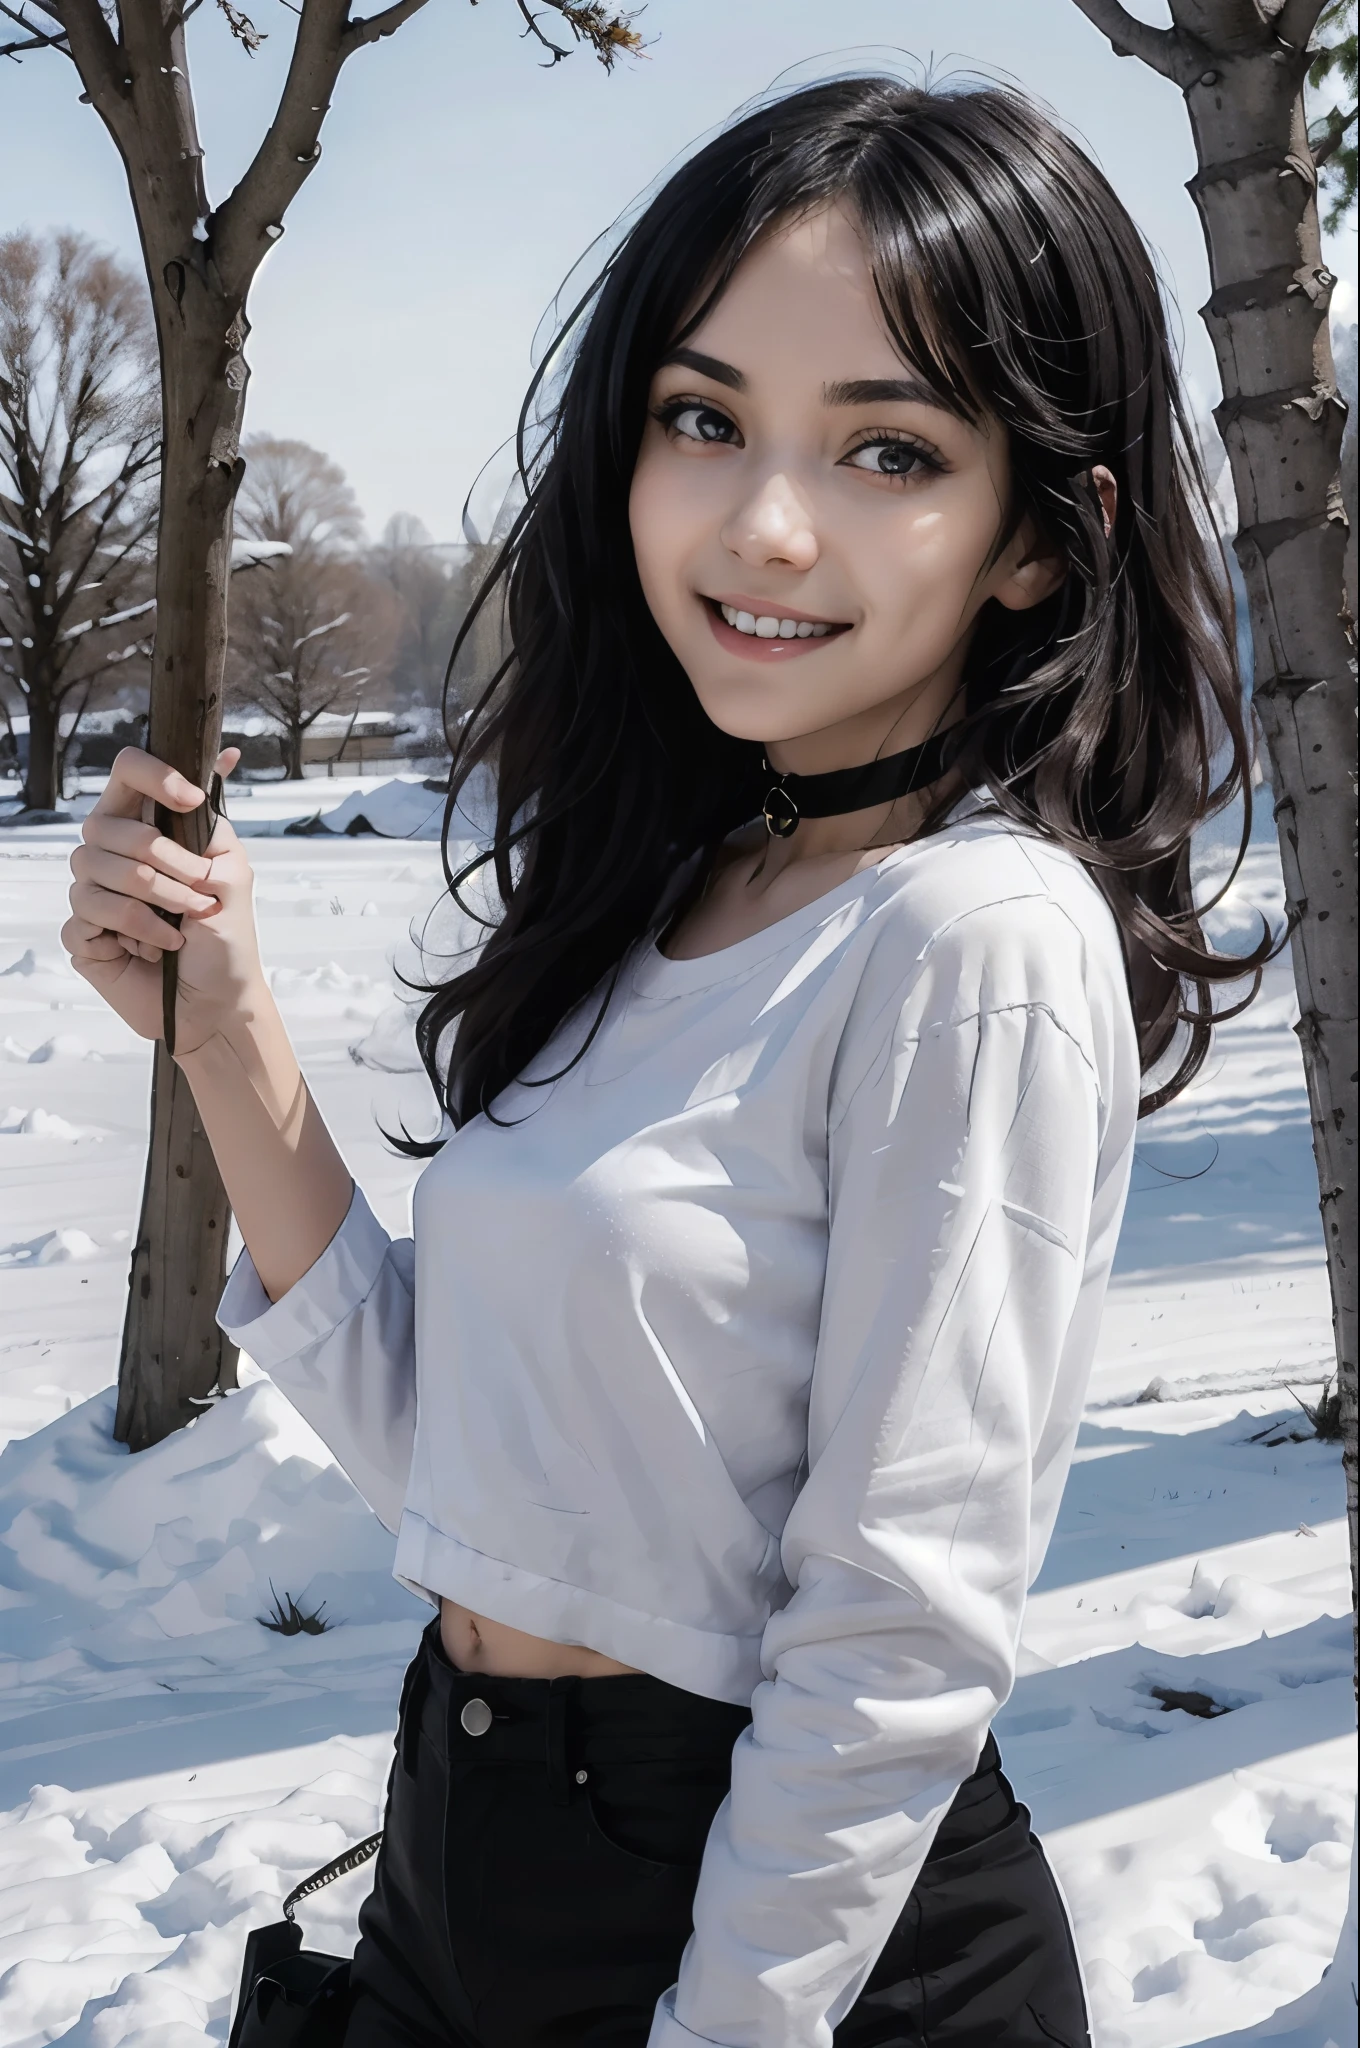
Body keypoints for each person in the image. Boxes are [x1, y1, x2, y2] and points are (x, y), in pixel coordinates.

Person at [62, 75, 1263, 2048]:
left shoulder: (970, 939)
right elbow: (469, 1466)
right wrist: (225, 1033)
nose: (761, 519)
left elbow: (892, 1634)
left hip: (777, 1936)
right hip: (475, 1858)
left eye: (886, 448)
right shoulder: (683, 891)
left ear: (1038, 540)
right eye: (701, 419)